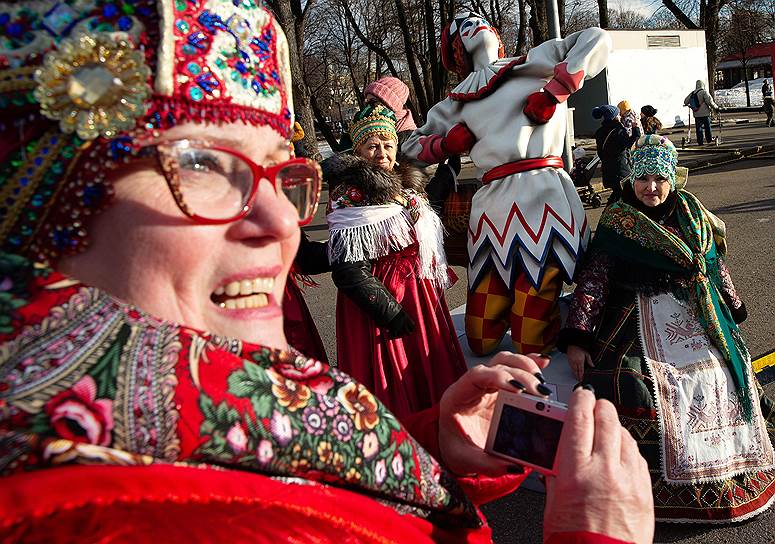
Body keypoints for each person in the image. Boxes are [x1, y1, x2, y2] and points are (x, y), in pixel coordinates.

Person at [0, 4, 657, 542]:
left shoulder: (193, 405)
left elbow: (296, 459)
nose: (283, 223)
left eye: (274, 173)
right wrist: (592, 536)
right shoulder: (107, 515)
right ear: (38, 200)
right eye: (202, 163)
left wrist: (435, 445)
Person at [558, 134, 775, 522]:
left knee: (719, 373)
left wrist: (733, 305)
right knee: (640, 385)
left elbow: (711, 265)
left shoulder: (692, 213)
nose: (651, 187)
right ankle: (643, 491)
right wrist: (577, 337)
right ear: (631, 180)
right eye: (643, 179)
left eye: (659, 179)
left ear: (673, 179)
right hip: (635, 314)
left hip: (696, 312)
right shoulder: (619, 220)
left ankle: (730, 475)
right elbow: (595, 280)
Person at [402, 12, 611, 357]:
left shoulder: (534, 61)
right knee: (480, 339)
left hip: (543, 197)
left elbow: (597, 38)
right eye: (462, 25)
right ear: (457, 49)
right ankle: (548, 313)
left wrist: (557, 90)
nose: (473, 24)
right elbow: (409, 147)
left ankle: (555, 318)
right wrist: (444, 145)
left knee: (532, 341)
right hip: (492, 212)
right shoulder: (455, 103)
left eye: (477, 19)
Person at [327, 104, 468, 420]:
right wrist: (387, 311)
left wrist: (446, 175)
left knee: (427, 367)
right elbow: (348, 267)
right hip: (381, 299)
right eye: (372, 145)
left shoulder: (405, 186)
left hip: (417, 291)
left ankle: (437, 425)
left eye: (387, 144)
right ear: (358, 150)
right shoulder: (349, 195)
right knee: (393, 370)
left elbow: (415, 219)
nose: (381, 152)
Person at [593, 104, 640, 204]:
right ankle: (611, 215)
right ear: (614, 117)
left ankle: (612, 213)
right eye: (618, 114)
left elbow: (600, 152)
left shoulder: (600, 132)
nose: (620, 116)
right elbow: (629, 144)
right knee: (626, 194)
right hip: (621, 169)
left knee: (618, 193)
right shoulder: (618, 131)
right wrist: (635, 129)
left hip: (608, 169)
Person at [684, 79, 720, 145]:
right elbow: (710, 102)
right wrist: (716, 108)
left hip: (696, 114)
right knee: (707, 127)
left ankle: (700, 142)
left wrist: (691, 105)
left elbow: (685, 101)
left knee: (699, 128)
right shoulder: (704, 92)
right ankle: (709, 140)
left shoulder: (692, 93)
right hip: (705, 113)